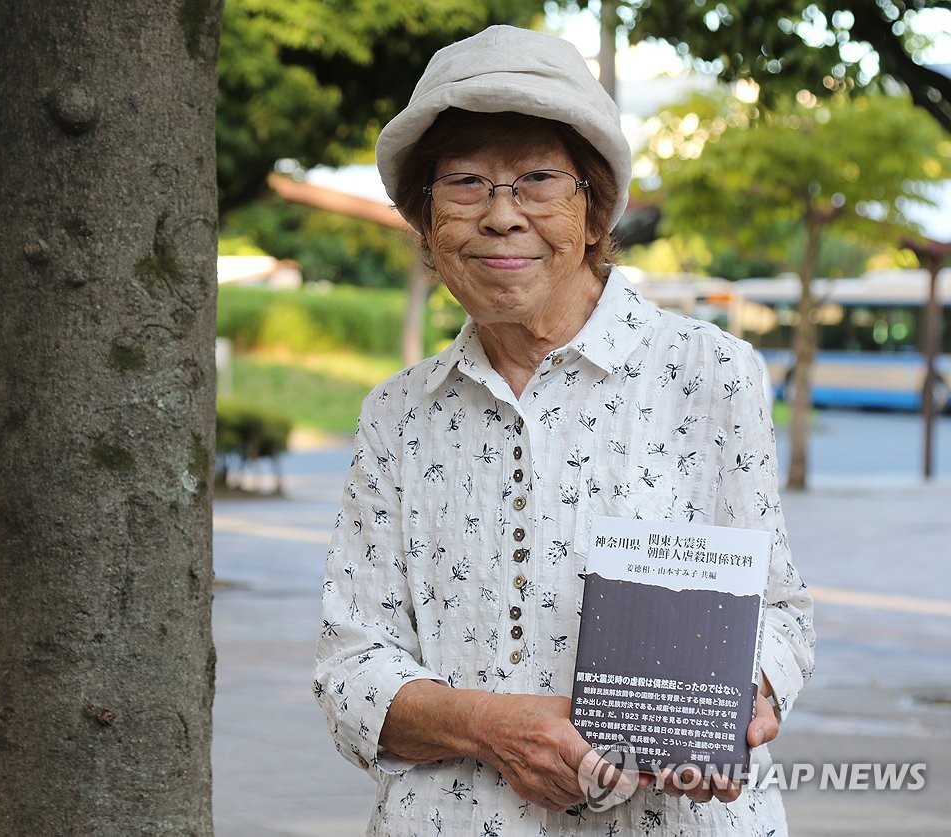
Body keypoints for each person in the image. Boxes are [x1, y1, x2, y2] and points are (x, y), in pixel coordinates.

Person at [313, 25, 815, 835]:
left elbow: (782, 614)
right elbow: (349, 671)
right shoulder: (397, 415)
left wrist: (746, 694)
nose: (501, 216)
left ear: (593, 212)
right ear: (427, 225)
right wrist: (493, 727)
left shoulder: (709, 372)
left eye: (537, 179)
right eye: (466, 183)